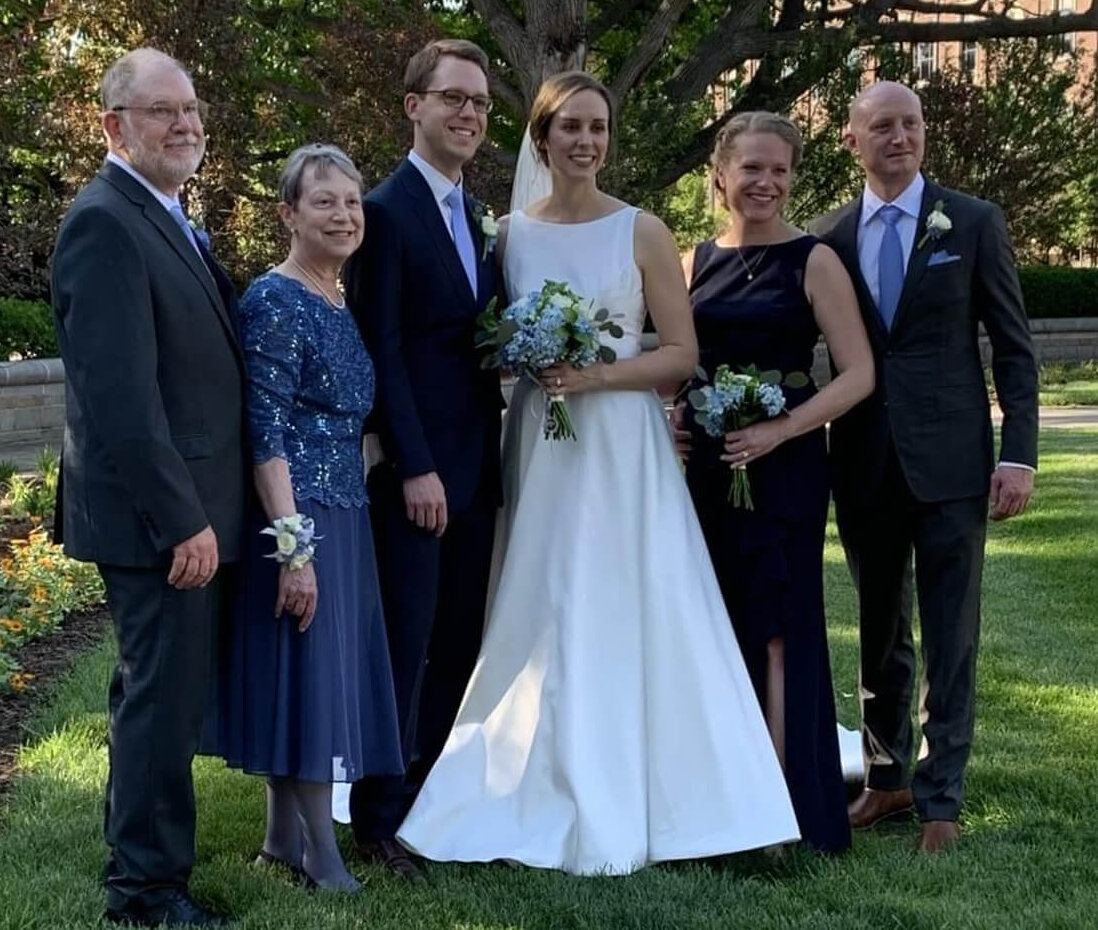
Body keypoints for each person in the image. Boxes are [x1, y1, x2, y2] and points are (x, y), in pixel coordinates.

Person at [396, 71, 800, 876]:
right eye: (570, 127)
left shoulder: (642, 230)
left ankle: (683, 792)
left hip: (621, 445)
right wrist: (532, 360)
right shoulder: (507, 235)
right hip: (542, 449)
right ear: (541, 139)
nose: (585, 141)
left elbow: (681, 354)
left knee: (632, 596)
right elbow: (488, 342)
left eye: (598, 127)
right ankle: (525, 771)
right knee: (543, 598)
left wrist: (594, 375)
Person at [809, 82, 1039, 852]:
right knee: (879, 632)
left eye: (910, 124)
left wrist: (1020, 457)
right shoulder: (828, 237)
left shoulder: (971, 222)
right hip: (865, 462)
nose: (899, 136)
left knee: (950, 634)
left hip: (953, 464)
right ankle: (886, 780)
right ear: (853, 140)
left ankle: (942, 801)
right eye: (882, 125)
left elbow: (1013, 346)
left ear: (923, 134)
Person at [50, 48, 244, 927]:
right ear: (113, 125)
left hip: (182, 511)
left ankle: (142, 866)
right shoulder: (104, 221)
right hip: (157, 521)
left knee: (155, 697)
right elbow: (120, 401)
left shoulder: (164, 212)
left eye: (191, 108)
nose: (184, 124)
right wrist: (182, 522)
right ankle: (146, 895)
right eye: (163, 110)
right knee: (161, 705)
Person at [677, 112, 874, 854]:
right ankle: (720, 804)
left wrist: (781, 430)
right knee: (717, 626)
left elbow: (858, 373)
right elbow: (674, 358)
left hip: (786, 465)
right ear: (721, 175)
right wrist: (672, 412)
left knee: (780, 632)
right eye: (751, 168)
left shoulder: (814, 260)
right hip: (707, 470)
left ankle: (783, 815)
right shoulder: (692, 261)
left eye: (780, 170)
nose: (766, 183)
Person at [209, 144, 403, 892]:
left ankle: (283, 839)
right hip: (296, 512)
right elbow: (266, 429)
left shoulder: (336, 297)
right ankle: (322, 852)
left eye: (352, 202)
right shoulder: (276, 299)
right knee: (308, 677)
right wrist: (294, 549)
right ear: (288, 213)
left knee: (311, 674)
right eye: (325, 201)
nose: (344, 214)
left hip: (344, 508)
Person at [342, 38, 503, 880]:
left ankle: (429, 801)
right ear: (414, 106)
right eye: (453, 99)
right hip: (421, 476)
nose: (469, 114)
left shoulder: (477, 215)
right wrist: (413, 465)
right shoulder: (387, 211)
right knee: (403, 647)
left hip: (481, 469)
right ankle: (377, 817)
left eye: (478, 103)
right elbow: (384, 350)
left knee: (458, 645)